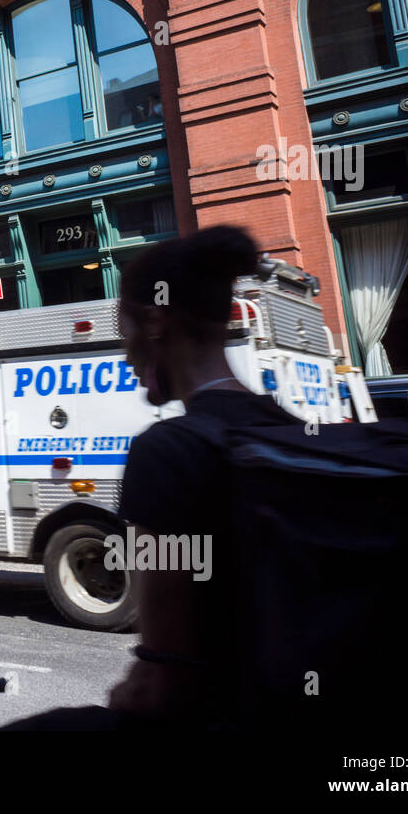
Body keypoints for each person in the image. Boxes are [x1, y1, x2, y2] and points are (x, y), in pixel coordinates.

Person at [107, 224, 298, 726]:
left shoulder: (166, 452)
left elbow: (159, 681)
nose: (125, 354)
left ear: (153, 325)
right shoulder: (290, 431)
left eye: (123, 330)